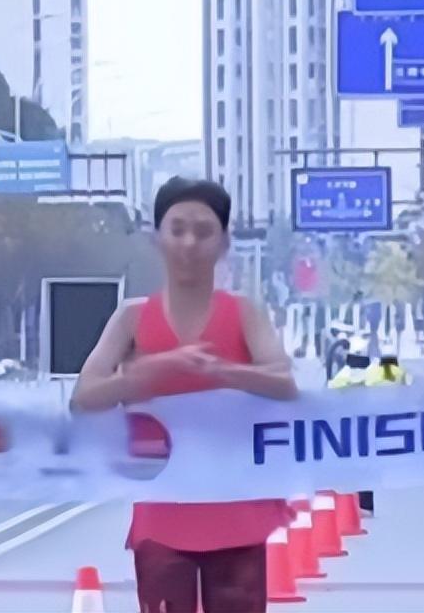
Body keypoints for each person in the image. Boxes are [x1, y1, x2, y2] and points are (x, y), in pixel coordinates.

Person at [71, 177, 297, 613]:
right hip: (162, 515)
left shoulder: (244, 313)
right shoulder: (132, 318)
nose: (189, 243)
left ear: (224, 243)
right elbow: (84, 398)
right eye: (177, 230)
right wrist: (150, 373)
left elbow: (285, 384)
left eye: (203, 231)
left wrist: (225, 372)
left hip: (237, 512)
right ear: (157, 238)